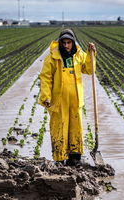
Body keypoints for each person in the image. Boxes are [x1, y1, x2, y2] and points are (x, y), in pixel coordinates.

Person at [39, 29, 96, 166]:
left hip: (75, 100)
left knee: (76, 127)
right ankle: (59, 158)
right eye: (63, 43)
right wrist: (46, 96)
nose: (66, 46)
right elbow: (45, 78)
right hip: (58, 101)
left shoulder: (79, 55)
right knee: (59, 128)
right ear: (59, 43)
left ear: (73, 42)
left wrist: (91, 54)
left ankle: (75, 158)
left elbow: (89, 70)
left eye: (69, 42)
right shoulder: (52, 58)